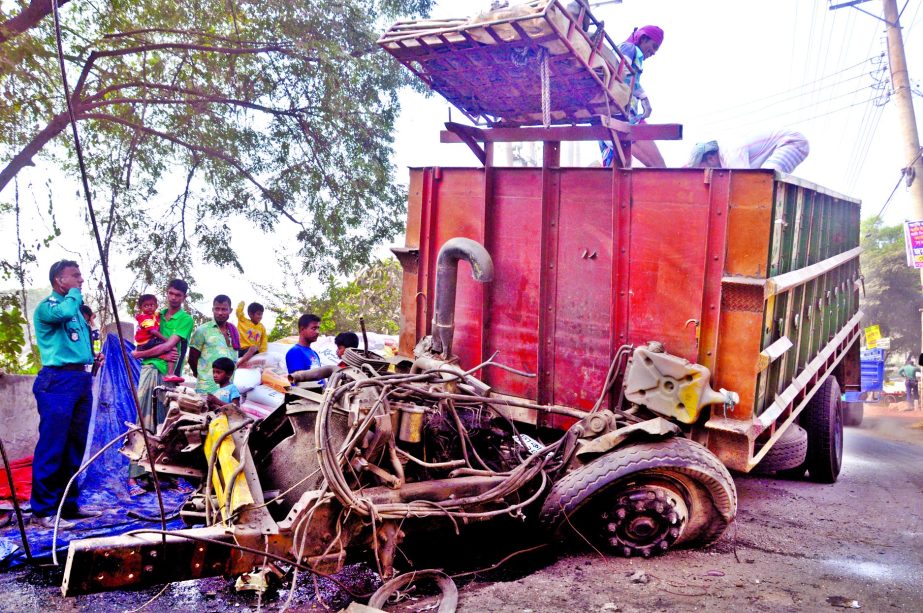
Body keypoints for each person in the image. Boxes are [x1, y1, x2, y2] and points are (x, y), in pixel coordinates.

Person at [30, 260, 104, 529]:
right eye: (75, 276)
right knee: (53, 446)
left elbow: (75, 342)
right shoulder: (50, 307)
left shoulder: (74, 314)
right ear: (59, 280)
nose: (81, 280)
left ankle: (68, 505)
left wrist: (92, 357)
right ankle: (43, 509)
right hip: (57, 381)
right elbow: (64, 312)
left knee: (75, 446)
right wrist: (73, 293)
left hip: (79, 379)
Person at [128, 279, 194, 493]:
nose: (173, 297)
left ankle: (166, 476)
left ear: (184, 297)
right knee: (143, 419)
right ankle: (135, 477)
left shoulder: (184, 319)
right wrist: (145, 354)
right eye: (171, 293)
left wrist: (140, 354)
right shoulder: (156, 313)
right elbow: (147, 339)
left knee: (167, 425)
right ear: (167, 293)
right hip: (150, 371)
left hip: (168, 375)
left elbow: (168, 345)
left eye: (178, 295)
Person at [600, 25, 666, 168]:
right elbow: (623, 77)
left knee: (617, 175)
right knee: (659, 167)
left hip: (612, 118)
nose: (653, 52)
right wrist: (644, 98)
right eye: (653, 46)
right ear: (643, 39)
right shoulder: (629, 49)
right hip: (625, 117)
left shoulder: (625, 50)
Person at [687, 130, 810, 174]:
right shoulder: (725, 156)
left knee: (763, 181)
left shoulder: (730, 153)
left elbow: (745, 181)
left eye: (704, 169)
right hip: (785, 144)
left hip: (792, 142)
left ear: (710, 158)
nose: (707, 173)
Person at [189, 295, 241, 395]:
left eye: (224, 309)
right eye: (217, 309)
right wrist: (202, 376)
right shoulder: (202, 330)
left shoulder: (234, 332)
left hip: (227, 390)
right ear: (213, 309)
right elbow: (192, 359)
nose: (220, 313)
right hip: (207, 389)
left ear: (230, 310)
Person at [134, 294, 183, 383]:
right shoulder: (145, 318)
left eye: (152, 305)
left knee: (168, 347)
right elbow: (153, 331)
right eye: (146, 306)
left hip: (148, 342)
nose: (149, 307)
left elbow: (160, 315)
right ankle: (170, 374)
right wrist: (166, 340)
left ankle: (163, 357)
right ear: (141, 308)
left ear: (156, 306)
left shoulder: (156, 315)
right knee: (172, 347)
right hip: (145, 343)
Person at [286, 314, 325, 385]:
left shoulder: (314, 353)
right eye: (314, 328)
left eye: (318, 328)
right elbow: (299, 384)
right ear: (302, 329)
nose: (317, 332)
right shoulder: (295, 352)